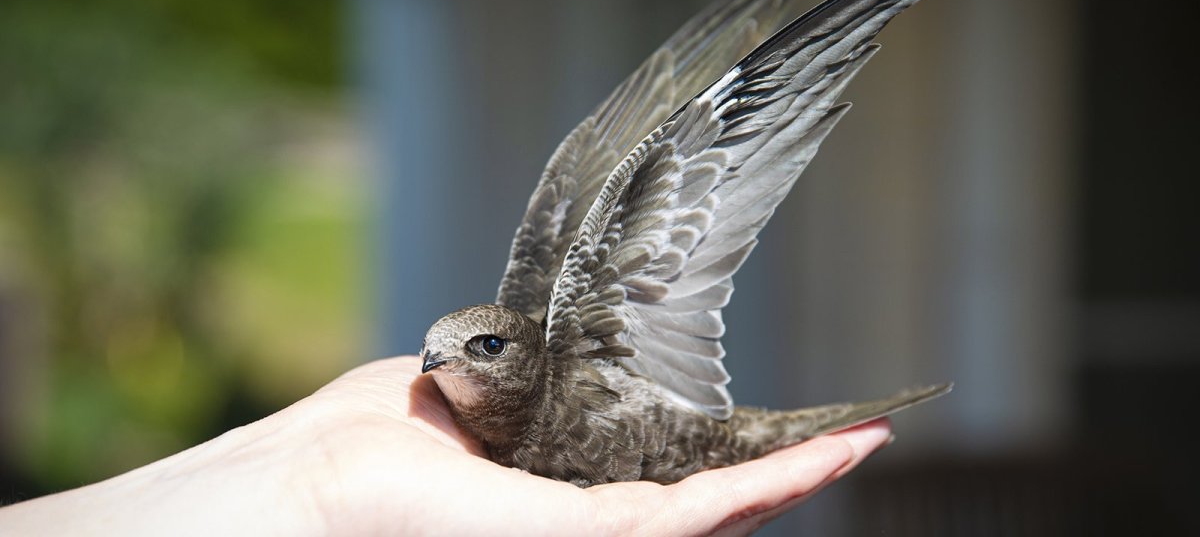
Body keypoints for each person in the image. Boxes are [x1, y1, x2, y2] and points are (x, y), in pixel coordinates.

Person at [0, 356, 892, 535]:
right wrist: (306, 478)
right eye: (435, 352)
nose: (436, 365)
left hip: (696, 432)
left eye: (476, 350)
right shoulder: (450, 407)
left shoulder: (577, 344)